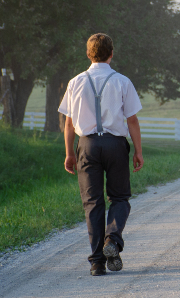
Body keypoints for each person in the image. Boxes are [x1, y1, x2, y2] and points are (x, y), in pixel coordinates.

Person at [59, 33, 144, 276]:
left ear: (88, 54)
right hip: (115, 145)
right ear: (111, 53)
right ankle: (112, 241)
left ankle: (97, 263)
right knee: (119, 198)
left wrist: (69, 154)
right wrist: (138, 151)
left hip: (86, 145)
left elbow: (68, 123)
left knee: (93, 203)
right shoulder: (122, 82)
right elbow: (133, 120)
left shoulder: (75, 82)